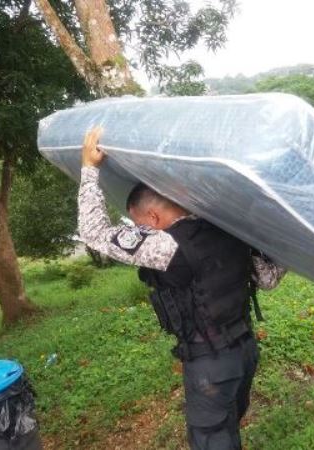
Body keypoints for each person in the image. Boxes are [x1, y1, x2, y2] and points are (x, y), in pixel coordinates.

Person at [76, 128, 287, 449]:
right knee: (228, 425)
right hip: (245, 353)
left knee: (212, 439)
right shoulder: (228, 226)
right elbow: (268, 280)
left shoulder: (166, 245)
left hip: (210, 366)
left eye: (139, 225)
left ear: (153, 216)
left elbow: (93, 232)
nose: (140, 232)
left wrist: (89, 168)